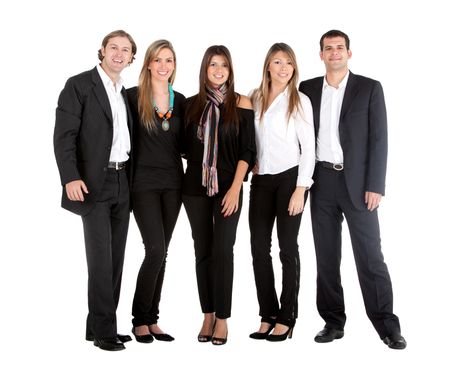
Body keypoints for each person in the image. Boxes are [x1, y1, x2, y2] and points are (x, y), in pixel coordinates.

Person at [299, 29, 406, 349]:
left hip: (359, 185)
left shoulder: (369, 88)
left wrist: (375, 185)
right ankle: (333, 321)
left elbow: (379, 139)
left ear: (349, 53)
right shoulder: (307, 89)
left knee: (371, 256)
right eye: (328, 48)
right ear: (320, 54)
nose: (334, 53)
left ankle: (387, 325)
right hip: (322, 181)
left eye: (339, 48)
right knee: (326, 256)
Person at [53, 30, 137, 351]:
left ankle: (99, 324)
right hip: (92, 183)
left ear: (131, 58)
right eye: (113, 47)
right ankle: (105, 331)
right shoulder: (79, 85)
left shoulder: (122, 91)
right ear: (101, 51)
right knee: (100, 259)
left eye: (125, 50)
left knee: (115, 258)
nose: (118, 53)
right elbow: (64, 136)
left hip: (122, 181)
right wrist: (70, 177)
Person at [183, 45, 256, 345]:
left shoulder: (242, 104)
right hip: (194, 189)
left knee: (224, 251)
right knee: (203, 251)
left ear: (230, 69)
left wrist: (236, 188)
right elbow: (182, 148)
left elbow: (248, 151)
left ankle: (223, 319)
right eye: (213, 64)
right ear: (205, 68)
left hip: (230, 188)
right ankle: (208, 314)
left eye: (224, 65)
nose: (218, 70)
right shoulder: (189, 105)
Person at [248, 43, 315, 342]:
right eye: (277, 62)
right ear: (268, 67)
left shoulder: (299, 100)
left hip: (291, 180)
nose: (283, 67)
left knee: (288, 248)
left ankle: (287, 317)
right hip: (261, 181)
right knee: (259, 250)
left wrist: (301, 189)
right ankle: (267, 314)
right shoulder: (255, 98)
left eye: (288, 62)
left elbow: (309, 149)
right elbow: (248, 139)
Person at [126, 40, 185, 343]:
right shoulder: (132, 98)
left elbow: (190, 146)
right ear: (148, 63)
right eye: (158, 60)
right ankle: (138, 320)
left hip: (174, 185)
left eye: (169, 61)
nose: (164, 66)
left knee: (163, 254)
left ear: (175, 65)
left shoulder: (182, 100)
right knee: (155, 250)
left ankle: (152, 319)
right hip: (143, 185)